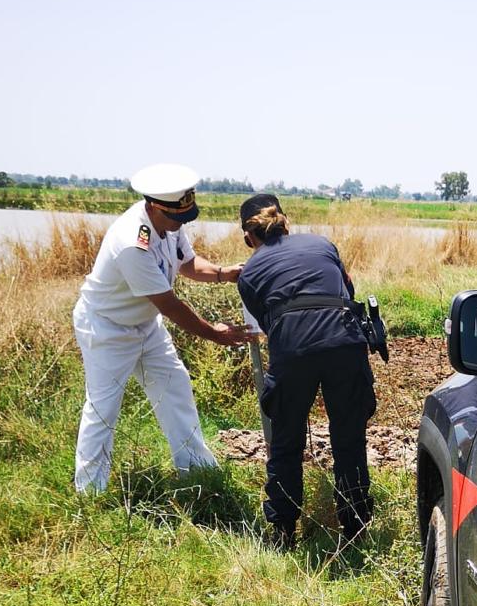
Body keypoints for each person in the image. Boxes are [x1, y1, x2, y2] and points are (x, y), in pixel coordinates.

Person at [72, 164, 247, 493]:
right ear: (153, 206)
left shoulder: (170, 222)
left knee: (174, 386)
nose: (182, 223)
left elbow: (187, 263)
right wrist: (216, 334)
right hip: (108, 330)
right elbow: (170, 305)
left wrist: (224, 273)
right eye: (177, 217)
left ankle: (196, 470)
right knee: (103, 407)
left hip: (146, 324)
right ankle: (90, 490)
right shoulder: (132, 243)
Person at [229, 193, 376, 546]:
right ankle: (355, 528)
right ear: (285, 222)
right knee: (349, 439)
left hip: (293, 351)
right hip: (345, 342)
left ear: (249, 236)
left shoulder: (249, 274)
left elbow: (269, 323)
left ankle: (282, 532)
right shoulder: (322, 244)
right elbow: (348, 289)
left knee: (286, 442)